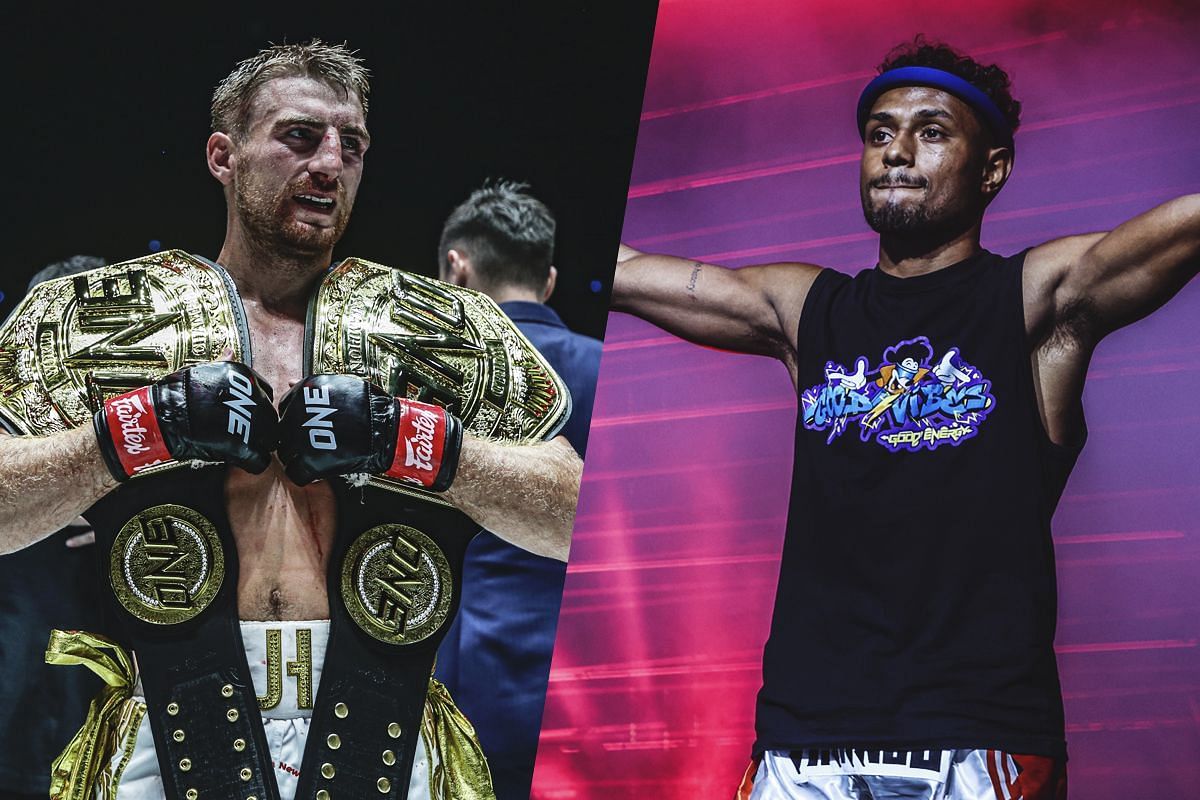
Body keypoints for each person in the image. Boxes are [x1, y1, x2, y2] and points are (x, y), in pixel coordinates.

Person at [613, 38, 1200, 800]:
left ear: (992, 169)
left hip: (976, 740)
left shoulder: (1031, 303)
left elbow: (1182, 227)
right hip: (803, 744)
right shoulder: (808, 310)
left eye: (931, 131)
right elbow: (623, 272)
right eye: (881, 133)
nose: (896, 152)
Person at [0, 41, 581, 800]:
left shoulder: (439, 329)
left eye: (353, 145)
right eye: (300, 137)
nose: (331, 164)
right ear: (223, 155)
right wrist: (139, 429)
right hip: (168, 728)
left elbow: (575, 515)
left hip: (389, 727)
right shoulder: (112, 318)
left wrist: (412, 441)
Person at [434, 181, 602, 800]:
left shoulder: (432, 378)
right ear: (549, 280)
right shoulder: (608, 365)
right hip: (592, 686)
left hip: (464, 684)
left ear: (457, 268)